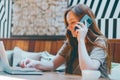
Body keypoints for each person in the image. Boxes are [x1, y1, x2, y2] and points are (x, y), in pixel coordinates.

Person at [19, 4, 111, 78]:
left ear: (85, 22)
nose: (68, 28)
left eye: (72, 22)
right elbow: (53, 64)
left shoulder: (99, 42)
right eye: (68, 24)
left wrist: (81, 39)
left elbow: (88, 69)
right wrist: (34, 63)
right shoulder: (71, 42)